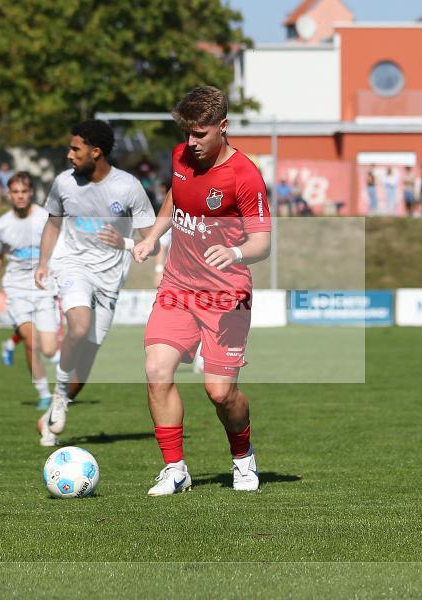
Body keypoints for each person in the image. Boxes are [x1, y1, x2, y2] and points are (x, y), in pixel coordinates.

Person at [132, 85, 271, 495]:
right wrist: (153, 236)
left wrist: (235, 252)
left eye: (200, 134)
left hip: (226, 297)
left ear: (223, 127)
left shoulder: (244, 176)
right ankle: (175, 469)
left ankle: (243, 458)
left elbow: (263, 242)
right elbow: (175, 198)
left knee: (220, 393)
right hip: (178, 287)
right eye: (187, 133)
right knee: (156, 371)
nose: (190, 143)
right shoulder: (180, 157)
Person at [34, 119, 157, 447]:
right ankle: (58, 395)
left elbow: (152, 241)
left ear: (96, 152)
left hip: (109, 280)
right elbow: (52, 224)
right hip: (73, 266)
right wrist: (44, 262)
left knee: (85, 365)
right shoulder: (63, 184)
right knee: (77, 327)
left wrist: (127, 245)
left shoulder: (128, 187)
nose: (69, 154)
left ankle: (55, 409)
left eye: (76, 148)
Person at [0, 172, 60, 412]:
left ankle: (11, 343)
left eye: (24, 191)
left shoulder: (45, 218)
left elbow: (60, 247)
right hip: (16, 288)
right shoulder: (1, 225)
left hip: (43, 287)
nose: (20, 196)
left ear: (31, 193)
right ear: (9, 195)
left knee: (50, 349)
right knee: (32, 340)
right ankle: (43, 394)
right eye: (15, 192)